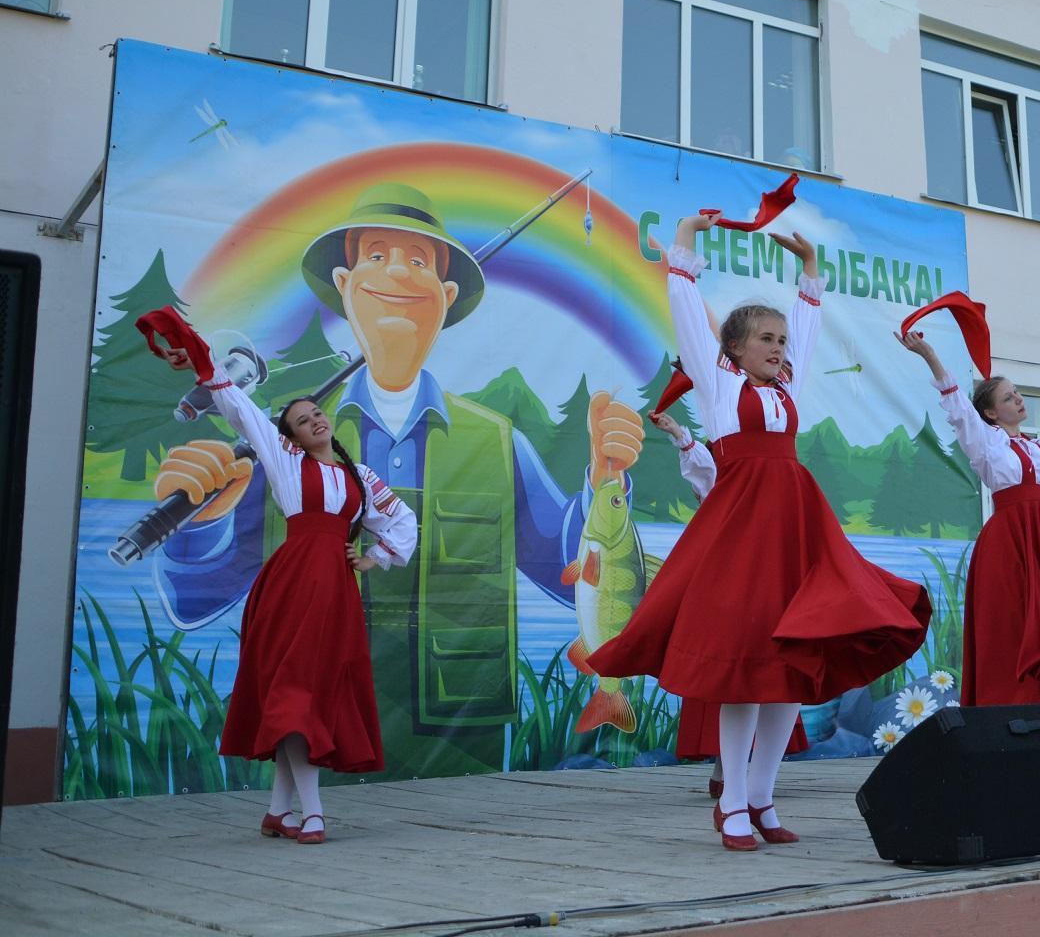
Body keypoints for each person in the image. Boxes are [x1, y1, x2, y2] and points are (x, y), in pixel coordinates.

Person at [148, 184, 646, 777]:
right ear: (344, 284)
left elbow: (572, 577)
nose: (397, 276)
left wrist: (601, 477)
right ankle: (299, 812)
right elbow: (195, 599)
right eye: (375, 256)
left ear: (447, 295)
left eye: (419, 263)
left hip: (465, 737)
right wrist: (201, 521)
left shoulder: (497, 439)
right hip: (322, 690)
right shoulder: (278, 446)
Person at [589, 213, 930, 850]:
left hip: (794, 528)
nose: (777, 348)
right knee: (746, 669)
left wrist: (809, 272)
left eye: (780, 340)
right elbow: (688, 313)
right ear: (735, 350)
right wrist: (685, 240)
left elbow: (805, 326)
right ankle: (734, 805)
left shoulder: (786, 386)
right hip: (744, 531)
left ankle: (765, 800)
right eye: (764, 340)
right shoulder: (719, 384)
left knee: (788, 672)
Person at [145, 313, 416, 844]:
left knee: (310, 690)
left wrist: (375, 558)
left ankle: (279, 810)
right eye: (301, 419)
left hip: (336, 589)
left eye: (318, 413)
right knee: (297, 691)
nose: (314, 420)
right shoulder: (286, 461)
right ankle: (312, 813)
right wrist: (200, 355)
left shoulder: (359, 478)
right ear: (287, 434)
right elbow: (238, 406)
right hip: (293, 584)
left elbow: (403, 521)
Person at [896, 329, 1040, 706]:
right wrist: (930, 355)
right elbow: (958, 405)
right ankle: (1006, 703)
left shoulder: (1039, 447)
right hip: (1007, 541)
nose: (1019, 399)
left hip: (1039, 542)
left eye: (1018, 393)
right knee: (1007, 622)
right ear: (992, 412)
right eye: (1008, 397)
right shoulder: (984, 441)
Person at [646, 405, 807, 799]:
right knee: (734, 674)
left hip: (769, 574)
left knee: (772, 672)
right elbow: (705, 472)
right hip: (730, 579)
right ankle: (730, 781)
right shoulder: (727, 470)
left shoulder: (774, 464)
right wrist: (680, 435)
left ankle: (754, 789)